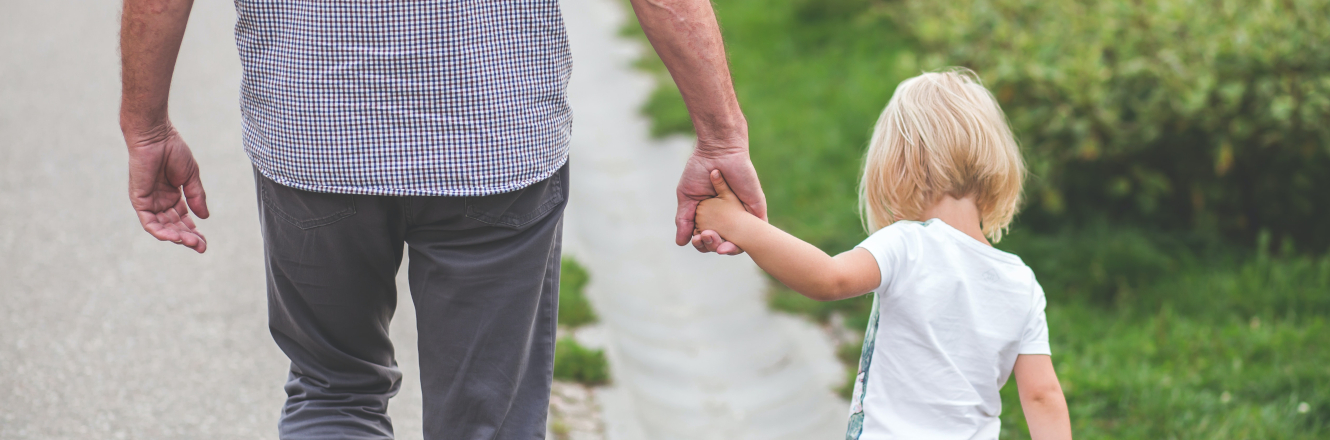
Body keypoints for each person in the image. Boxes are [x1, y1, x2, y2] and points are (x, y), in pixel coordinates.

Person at [117, 0, 765, 438]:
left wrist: (146, 126)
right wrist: (720, 136)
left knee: (332, 393)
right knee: (489, 417)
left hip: (315, 140)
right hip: (494, 137)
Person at [693, 69, 1073, 440]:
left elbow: (828, 278)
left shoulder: (907, 243)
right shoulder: (1020, 280)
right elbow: (1043, 396)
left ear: (899, 167)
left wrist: (738, 223)